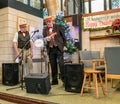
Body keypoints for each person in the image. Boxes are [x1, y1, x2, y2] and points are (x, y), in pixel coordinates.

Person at [43, 16, 67, 85]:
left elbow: (64, 37)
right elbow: (44, 39)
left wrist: (64, 45)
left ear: (52, 21)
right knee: (53, 65)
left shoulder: (58, 26)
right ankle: (54, 80)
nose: (48, 24)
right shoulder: (44, 30)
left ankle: (64, 80)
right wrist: (46, 39)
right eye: (47, 22)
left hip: (59, 48)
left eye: (49, 22)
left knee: (61, 64)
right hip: (50, 49)